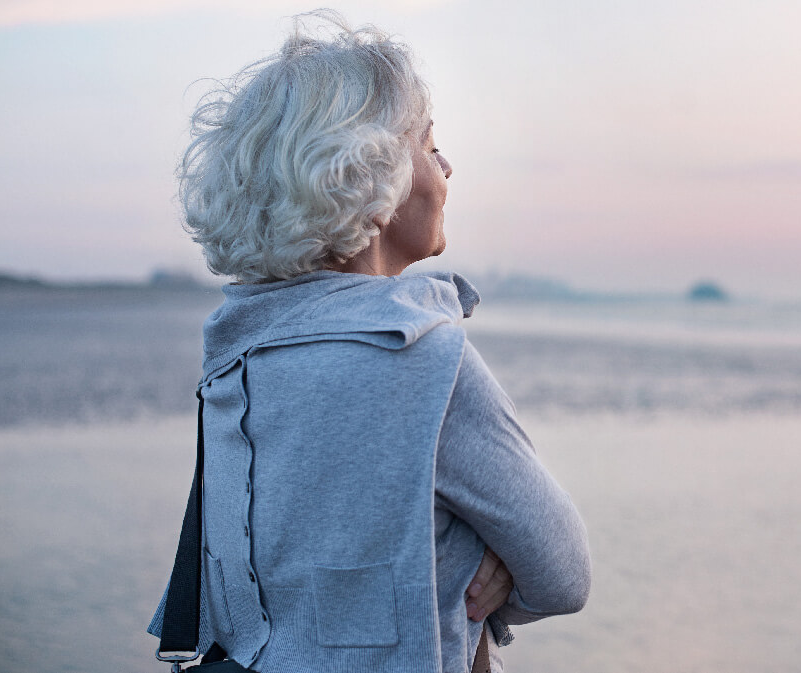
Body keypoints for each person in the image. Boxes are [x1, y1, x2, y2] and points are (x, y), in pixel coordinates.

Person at [146, 12, 591, 673]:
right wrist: (484, 561)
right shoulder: (426, 360)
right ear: (370, 169)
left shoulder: (235, 357)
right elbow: (563, 573)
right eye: (429, 142)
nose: (446, 165)